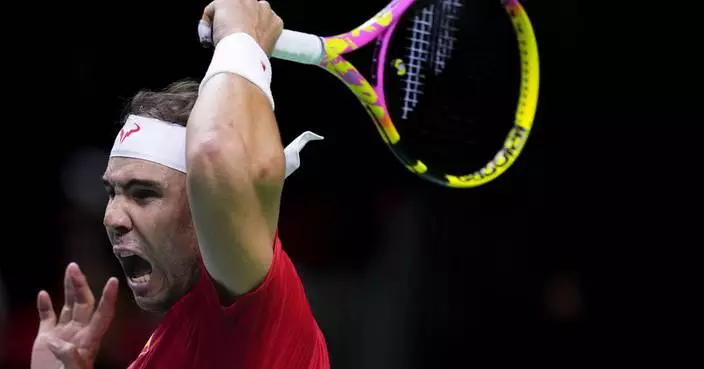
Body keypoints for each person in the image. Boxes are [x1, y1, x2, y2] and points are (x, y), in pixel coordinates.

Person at [29, 0, 329, 368]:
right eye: (112, 192)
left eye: (144, 193)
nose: (111, 218)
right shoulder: (156, 352)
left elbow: (214, 152)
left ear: (202, 204)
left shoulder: (256, 308)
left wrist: (241, 39)